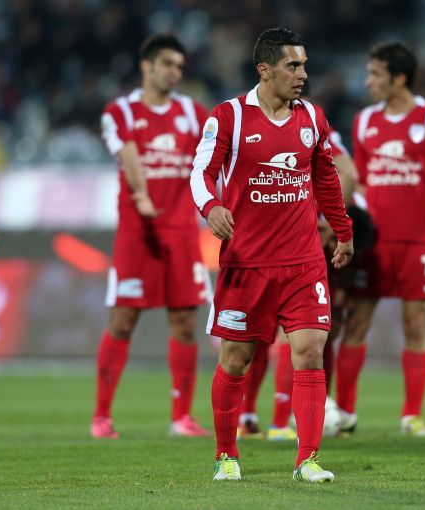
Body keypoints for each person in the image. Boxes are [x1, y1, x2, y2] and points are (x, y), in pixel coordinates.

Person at [190, 28, 353, 482]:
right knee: (235, 360)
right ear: (265, 70)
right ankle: (226, 455)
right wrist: (212, 206)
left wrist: (343, 231)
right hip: (247, 262)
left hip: (303, 260)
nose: (302, 75)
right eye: (292, 66)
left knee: (310, 351)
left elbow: (326, 178)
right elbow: (200, 172)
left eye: (304, 66)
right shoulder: (229, 116)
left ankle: (308, 460)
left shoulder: (312, 118)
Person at [336, 42, 425, 437]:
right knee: (356, 320)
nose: (368, 82)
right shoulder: (364, 122)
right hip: (374, 243)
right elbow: (358, 181)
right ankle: (345, 414)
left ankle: (412, 416)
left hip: (418, 240)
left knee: (416, 322)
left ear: (399, 78)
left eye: (375, 74)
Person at [92, 34, 211, 439]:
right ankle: (101, 416)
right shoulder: (120, 111)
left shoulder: (193, 114)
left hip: (181, 231)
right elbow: (127, 152)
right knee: (123, 320)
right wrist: (141, 193)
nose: (175, 72)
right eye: (168, 64)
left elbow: (212, 160)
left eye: (180, 66)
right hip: (137, 232)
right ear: (147, 67)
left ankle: (181, 417)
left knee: (185, 323)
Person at [234, 129, 360, 443]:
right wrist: (328, 219)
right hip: (295, 242)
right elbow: (350, 175)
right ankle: (279, 422)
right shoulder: (311, 130)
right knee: (301, 333)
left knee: (265, 333)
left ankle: (250, 417)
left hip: (263, 240)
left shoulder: (271, 127)